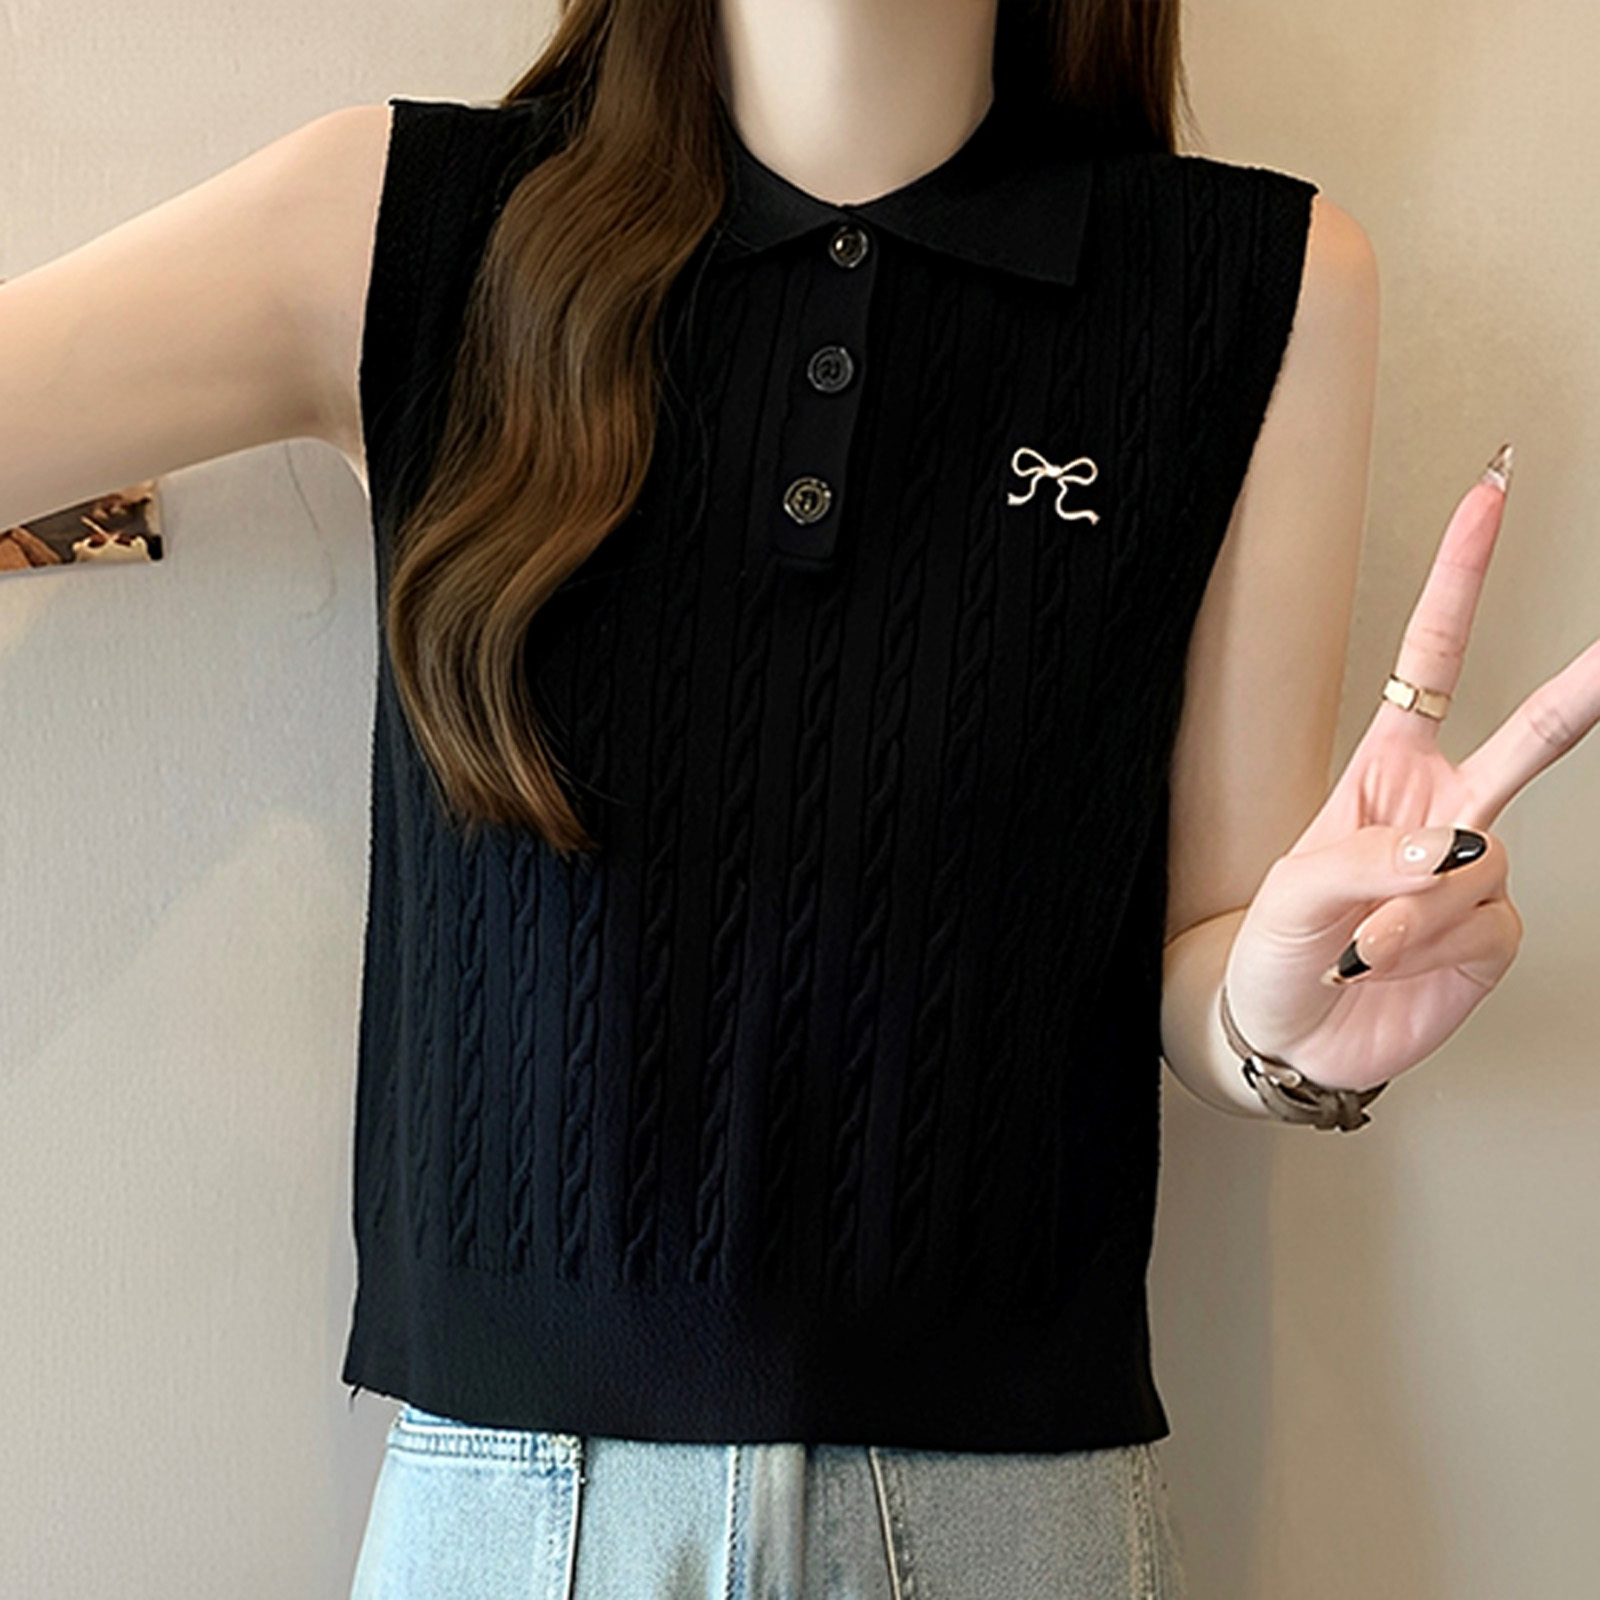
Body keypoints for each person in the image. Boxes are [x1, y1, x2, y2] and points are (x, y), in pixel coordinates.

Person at [4, 1, 1596, 1596]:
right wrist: (92, 535)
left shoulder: (1256, 281)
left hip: (1009, 1525)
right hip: (512, 1518)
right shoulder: (402, 224)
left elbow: (1216, 950)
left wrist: (1278, 1030)